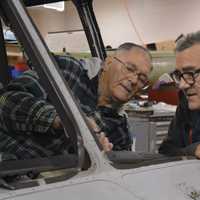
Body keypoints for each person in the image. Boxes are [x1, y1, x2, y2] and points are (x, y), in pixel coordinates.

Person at [0, 42, 152, 160]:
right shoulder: (67, 70)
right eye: (129, 69)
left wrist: (100, 158)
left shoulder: (120, 132)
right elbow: (7, 100)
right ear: (108, 63)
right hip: (9, 161)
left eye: (142, 78)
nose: (133, 80)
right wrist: (63, 120)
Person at [159, 31, 200, 158]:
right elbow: (166, 150)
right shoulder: (186, 105)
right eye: (179, 75)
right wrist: (193, 150)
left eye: (190, 73)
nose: (182, 85)